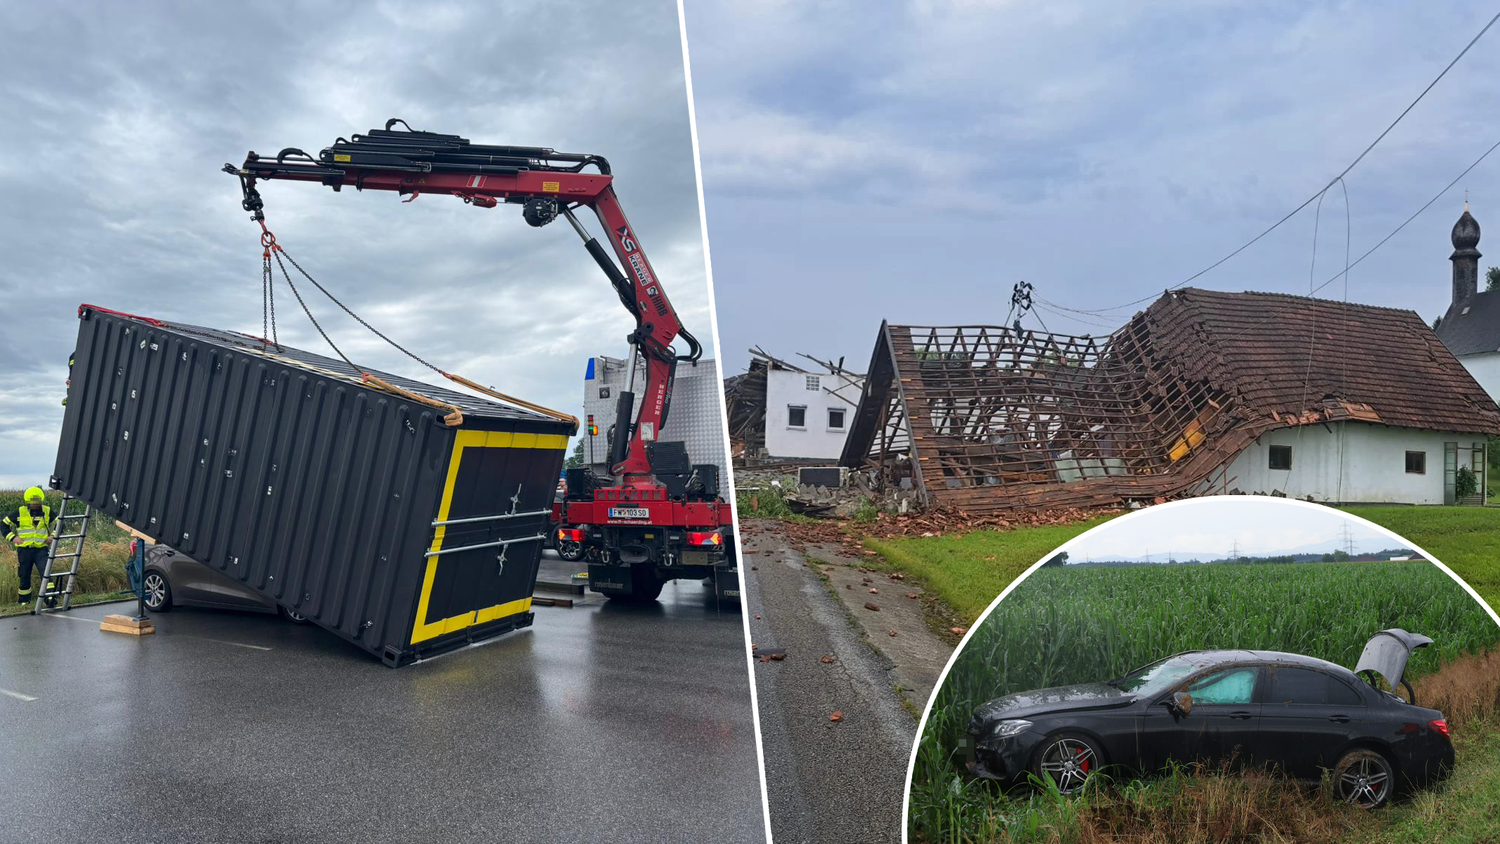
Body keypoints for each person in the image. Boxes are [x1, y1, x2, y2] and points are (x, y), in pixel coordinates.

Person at [3, 487, 55, 607]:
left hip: (41, 549)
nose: (35, 505)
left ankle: (50, 598)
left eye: (37, 502)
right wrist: (13, 538)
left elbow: (60, 522)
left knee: (45, 572)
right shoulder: (20, 512)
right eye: (32, 502)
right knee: (24, 574)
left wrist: (53, 536)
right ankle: (24, 601)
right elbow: (4, 524)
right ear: (27, 502)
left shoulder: (47, 511)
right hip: (25, 550)